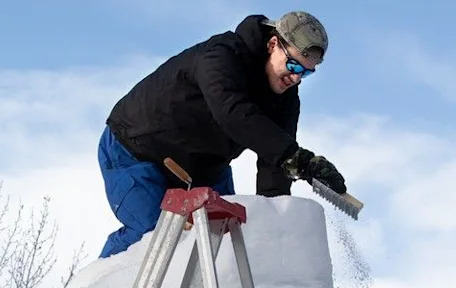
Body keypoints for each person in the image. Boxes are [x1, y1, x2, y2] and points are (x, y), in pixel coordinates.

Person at [97, 11, 347, 259]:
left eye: (306, 73)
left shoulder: (286, 98)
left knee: (230, 241)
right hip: (135, 151)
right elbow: (233, 113)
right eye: (293, 65)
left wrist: (275, 214)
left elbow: (276, 159)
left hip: (202, 170)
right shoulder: (222, 55)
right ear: (273, 44)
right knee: (153, 235)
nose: (295, 78)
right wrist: (296, 158)